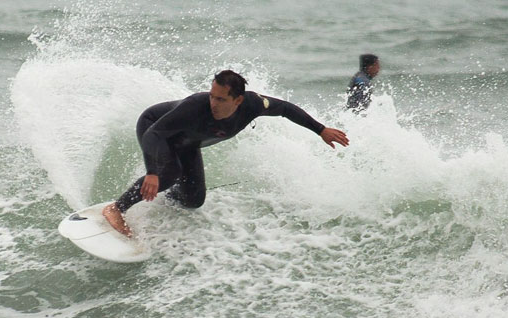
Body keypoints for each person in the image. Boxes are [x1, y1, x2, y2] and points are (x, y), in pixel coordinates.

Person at [102, 70, 349, 236]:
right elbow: (154, 134)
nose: (213, 103)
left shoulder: (252, 104)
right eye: (212, 96)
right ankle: (117, 208)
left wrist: (321, 130)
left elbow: (285, 108)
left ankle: (164, 195)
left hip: (187, 142)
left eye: (221, 99)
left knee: (194, 200)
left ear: (238, 100)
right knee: (168, 173)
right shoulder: (195, 107)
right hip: (156, 128)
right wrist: (152, 173)